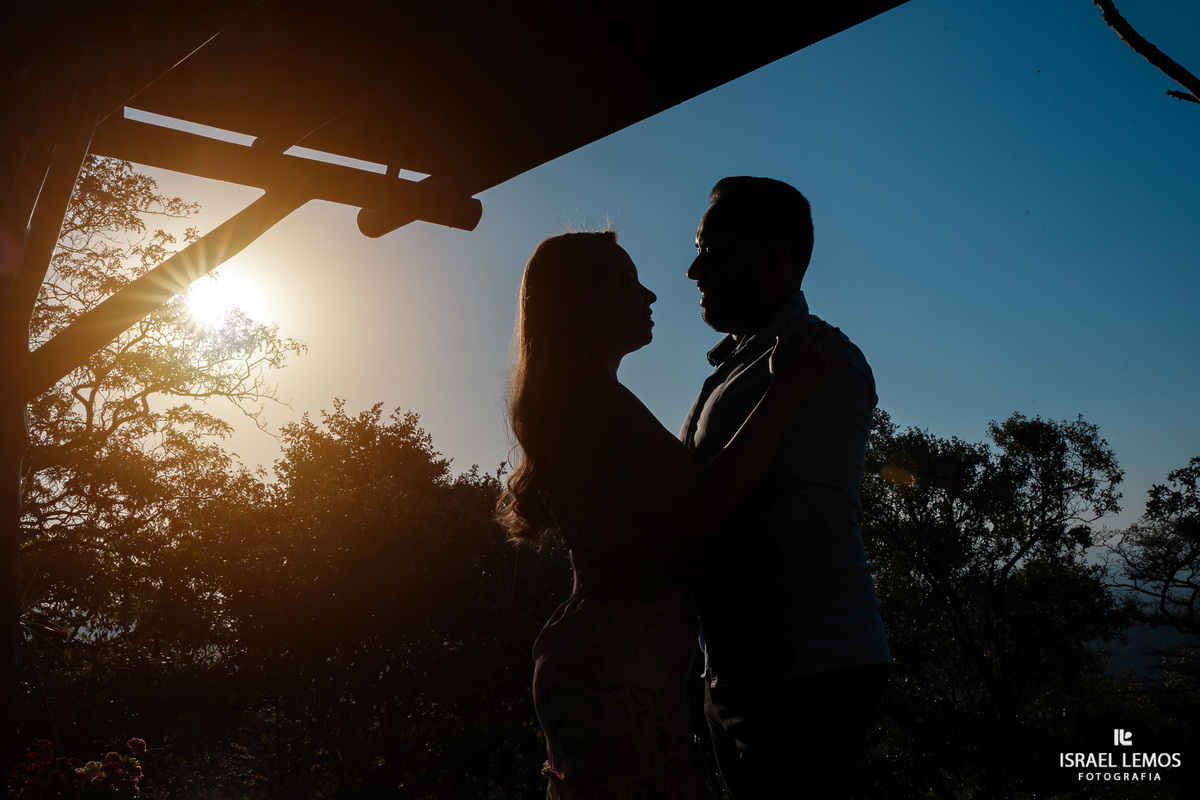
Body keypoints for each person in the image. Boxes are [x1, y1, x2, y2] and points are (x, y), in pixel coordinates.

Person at [496, 230, 846, 799]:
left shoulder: (575, 401)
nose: (651, 295)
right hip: (619, 668)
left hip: (598, 654)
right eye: (630, 282)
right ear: (588, 299)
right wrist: (784, 394)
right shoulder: (598, 403)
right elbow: (703, 508)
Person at [680, 176, 892, 800]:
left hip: (809, 674)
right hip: (748, 669)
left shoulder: (826, 357)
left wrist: (683, 550)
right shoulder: (741, 362)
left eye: (711, 250)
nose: (694, 269)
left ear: (775, 260)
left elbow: (823, 511)